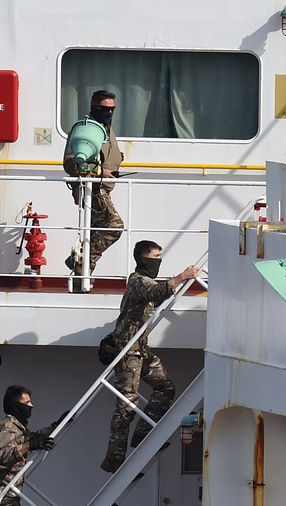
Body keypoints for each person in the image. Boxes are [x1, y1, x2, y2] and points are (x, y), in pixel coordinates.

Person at [101, 240, 200, 473]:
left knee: (165, 388)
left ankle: (142, 435)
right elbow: (155, 291)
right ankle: (114, 459)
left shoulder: (146, 282)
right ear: (144, 258)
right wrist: (183, 276)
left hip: (141, 350)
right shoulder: (138, 281)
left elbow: (157, 295)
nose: (159, 260)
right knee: (127, 404)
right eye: (156, 257)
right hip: (128, 352)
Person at [0, 385, 66, 506]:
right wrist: (30, 445)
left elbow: (34, 437)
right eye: (27, 402)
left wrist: (56, 425)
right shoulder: (7, 427)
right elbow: (4, 455)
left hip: (6, 493)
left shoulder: (19, 427)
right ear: (16, 405)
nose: (31, 405)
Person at [63, 90, 125, 274]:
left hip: (103, 189)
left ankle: (81, 275)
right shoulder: (85, 129)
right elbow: (71, 162)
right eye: (104, 109)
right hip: (92, 189)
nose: (109, 113)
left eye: (112, 109)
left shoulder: (106, 127)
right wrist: (99, 171)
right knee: (114, 226)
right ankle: (81, 260)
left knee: (94, 234)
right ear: (94, 108)